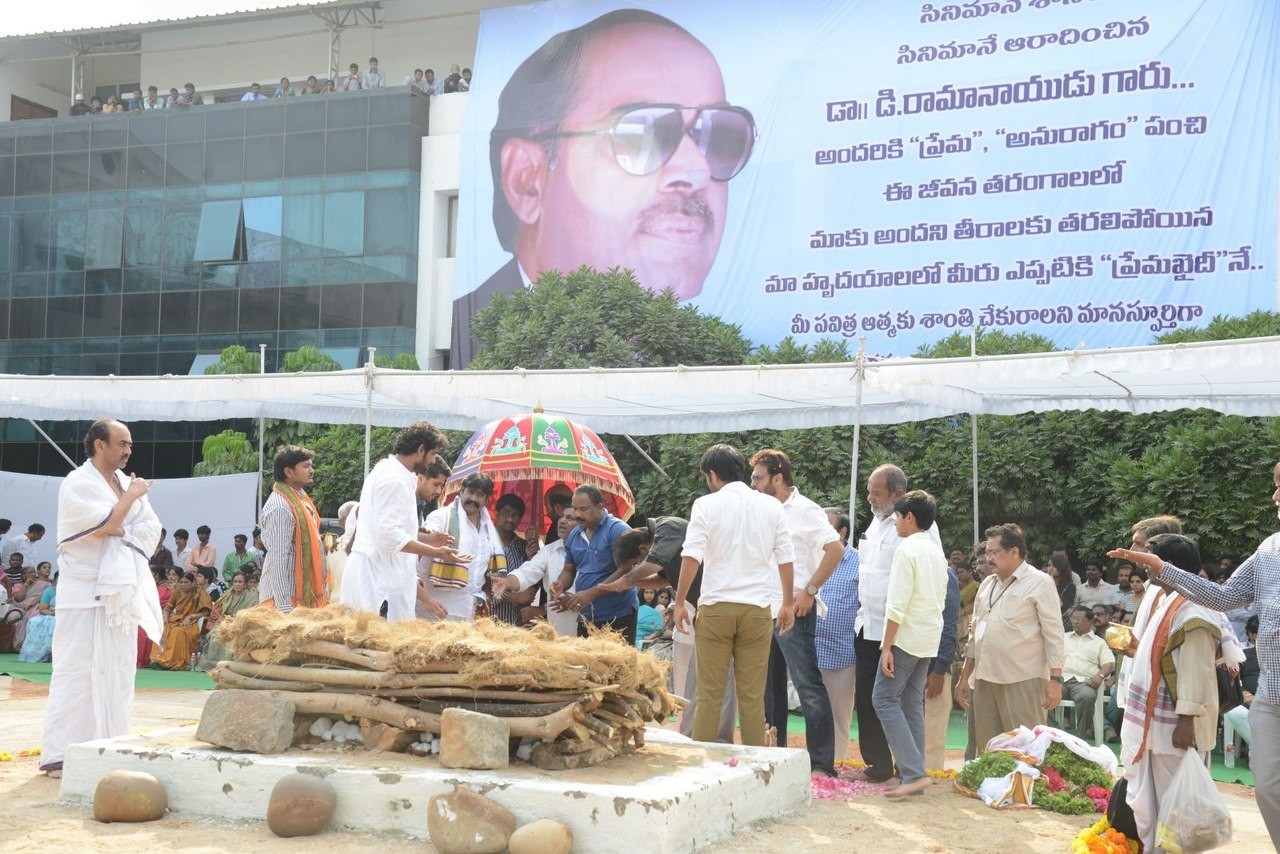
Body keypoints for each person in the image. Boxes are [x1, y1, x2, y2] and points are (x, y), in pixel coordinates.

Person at [452, 9, 757, 366]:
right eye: (643, 133)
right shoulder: (477, 339)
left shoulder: (705, 360)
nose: (696, 171)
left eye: (721, 135)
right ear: (527, 180)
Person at [1107, 468, 1280, 849]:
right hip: (1272, 691)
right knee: (1267, 786)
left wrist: (1187, 718)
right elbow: (1222, 596)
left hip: (1196, 713)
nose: (1274, 497)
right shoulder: (1270, 549)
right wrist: (1161, 568)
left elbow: (1201, 659)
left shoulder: (1193, 616)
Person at [40, 418, 163, 779]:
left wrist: (119, 526)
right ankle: (62, 755)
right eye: (122, 443)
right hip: (84, 591)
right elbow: (102, 524)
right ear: (99, 445)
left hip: (118, 592)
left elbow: (150, 529)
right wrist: (128, 505)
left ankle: (109, 744)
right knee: (76, 672)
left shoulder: (127, 483)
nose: (127, 451)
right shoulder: (78, 483)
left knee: (119, 671)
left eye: (129, 445)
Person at [674, 443, 795, 747]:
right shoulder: (772, 506)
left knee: (709, 695)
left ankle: (704, 770)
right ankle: (755, 770)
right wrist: (788, 604)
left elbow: (692, 556)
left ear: (713, 475)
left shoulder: (706, 504)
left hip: (716, 609)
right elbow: (785, 558)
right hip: (757, 611)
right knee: (752, 698)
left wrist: (679, 602)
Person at [1109, 533, 1222, 853]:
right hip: (1154, 727)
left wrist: (1187, 721)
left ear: (1168, 567)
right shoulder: (1167, 600)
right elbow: (1160, 654)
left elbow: (1198, 669)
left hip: (1175, 728)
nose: (1145, 568)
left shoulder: (1195, 611)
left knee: (1176, 809)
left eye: (1150, 561)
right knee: (1154, 806)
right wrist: (1136, 649)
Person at [750, 448, 840, 776]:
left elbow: (836, 550)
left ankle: (821, 766)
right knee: (768, 689)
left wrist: (809, 592)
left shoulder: (805, 510)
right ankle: (777, 756)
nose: (753, 484)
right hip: (764, 608)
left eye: (758, 478)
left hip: (797, 610)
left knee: (807, 686)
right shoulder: (761, 510)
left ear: (778, 477)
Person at [851, 463, 943, 784]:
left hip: (899, 631)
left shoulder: (917, 531)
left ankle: (911, 770)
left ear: (897, 494)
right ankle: (881, 766)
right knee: (867, 698)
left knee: (892, 701)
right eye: (868, 492)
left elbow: (918, 588)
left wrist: (892, 641)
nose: (869, 499)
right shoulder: (876, 524)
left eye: (876, 493)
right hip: (869, 624)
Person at [955, 523, 1065, 753]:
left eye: (994, 552)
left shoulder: (1040, 582)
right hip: (985, 678)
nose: (989, 558)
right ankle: (993, 789)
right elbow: (976, 634)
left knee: (1026, 748)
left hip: (1023, 678)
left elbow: (1054, 635)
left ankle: (1024, 790)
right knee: (989, 747)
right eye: (987, 553)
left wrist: (1056, 680)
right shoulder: (987, 584)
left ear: (1014, 552)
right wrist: (965, 676)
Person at [341, 421, 464, 620]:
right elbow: (389, 536)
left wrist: (428, 540)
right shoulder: (393, 479)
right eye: (432, 454)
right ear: (420, 449)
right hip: (374, 579)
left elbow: (389, 530)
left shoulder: (393, 473)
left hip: (379, 575)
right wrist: (436, 552)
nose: (433, 460)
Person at [873, 490, 948, 798]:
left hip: (906, 636)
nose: (894, 525)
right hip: (928, 636)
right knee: (910, 704)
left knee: (884, 699)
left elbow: (897, 603)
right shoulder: (935, 551)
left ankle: (913, 772)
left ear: (909, 517)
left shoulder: (907, 550)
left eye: (897, 519)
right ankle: (912, 774)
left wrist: (887, 646)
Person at [553, 486, 638, 644]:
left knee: (618, 666)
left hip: (618, 614)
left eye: (584, 509)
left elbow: (626, 569)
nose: (578, 514)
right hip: (586, 616)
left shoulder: (618, 530)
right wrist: (560, 585)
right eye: (575, 508)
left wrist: (591, 593)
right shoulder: (575, 535)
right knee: (588, 666)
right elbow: (568, 570)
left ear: (600, 507)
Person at [421, 474, 503, 621]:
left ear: (487, 500)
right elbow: (425, 537)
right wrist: (428, 536)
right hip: (436, 608)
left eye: (480, 495)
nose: (474, 499)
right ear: (461, 491)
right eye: (470, 492)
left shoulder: (489, 530)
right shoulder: (441, 517)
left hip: (470, 611)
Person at [258, 445, 328, 612]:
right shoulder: (280, 507)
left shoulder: (301, 499)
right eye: (305, 466)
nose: (311, 470)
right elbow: (278, 559)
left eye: (311, 465)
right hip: (286, 598)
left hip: (300, 594)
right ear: (288, 472)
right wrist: (284, 607)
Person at [491, 509, 580, 636]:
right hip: (558, 633)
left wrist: (576, 600)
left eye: (569, 518)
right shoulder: (549, 551)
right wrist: (507, 582)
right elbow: (527, 572)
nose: (562, 521)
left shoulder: (593, 549)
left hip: (588, 627)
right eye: (561, 517)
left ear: (582, 523)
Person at [818, 508, 859, 765]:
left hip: (843, 652)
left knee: (839, 715)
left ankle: (836, 764)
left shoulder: (859, 562)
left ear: (842, 532)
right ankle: (814, 762)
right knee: (814, 711)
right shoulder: (810, 557)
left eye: (826, 526)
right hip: (810, 650)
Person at [1061, 605, 1114, 741]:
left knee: (1087, 696)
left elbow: (1109, 663)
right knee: (1042, 692)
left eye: (1079, 618)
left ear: (1090, 622)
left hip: (1083, 683)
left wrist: (1100, 676)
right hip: (1061, 679)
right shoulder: (1063, 637)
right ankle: (1053, 734)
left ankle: (1080, 738)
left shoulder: (1099, 642)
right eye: (1073, 618)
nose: (1075, 622)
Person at [488, 493, 535, 625]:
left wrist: (532, 556)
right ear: (496, 514)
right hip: (489, 621)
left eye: (515, 515)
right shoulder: (484, 541)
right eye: (506, 513)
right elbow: (481, 583)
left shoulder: (523, 546)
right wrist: (516, 597)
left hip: (517, 622)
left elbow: (533, 580)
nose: (510, 519)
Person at [150, 571, 212, 670]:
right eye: (181, 582)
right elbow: (167, 608)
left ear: (193, 583)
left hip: (191, 622)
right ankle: (158, 659)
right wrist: (165, 616)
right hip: (176, 619)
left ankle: (174, 662)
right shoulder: (178, 591)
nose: (183, 585)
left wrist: (191, 616)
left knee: (178, 632)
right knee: (161, 629)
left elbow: (206, 613)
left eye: (186, 582)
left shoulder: (200, 593)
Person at [198, 571, 257, 671]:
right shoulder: (226, 595)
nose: (237, 584)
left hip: (241, 625)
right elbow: (216, 609)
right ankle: (215, 665)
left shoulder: (252, 597)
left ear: (245, 584)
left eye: (240, 582)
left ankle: (231, 666)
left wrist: (235, 621)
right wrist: (222, 619)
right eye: (235, 581)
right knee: (215, 633)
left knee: (232, 635)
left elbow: (251, 614)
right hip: (224, 622)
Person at [18, 575, 57, 663]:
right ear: (55, 580)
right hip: (51, 614)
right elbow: (42, 609)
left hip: (67, 615)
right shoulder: (49, 591)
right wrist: (53, 613)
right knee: (35, 621)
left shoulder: (72, 592)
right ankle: (41, 653)